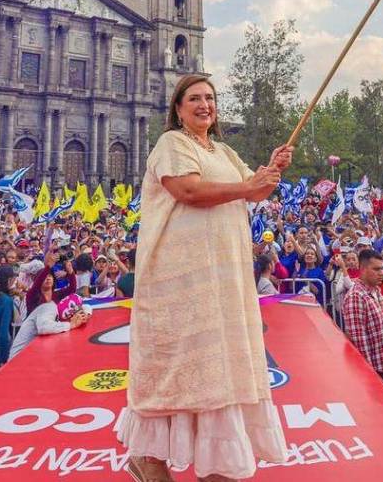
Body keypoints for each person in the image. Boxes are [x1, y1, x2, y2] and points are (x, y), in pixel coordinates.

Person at [118, 74, 290, 482]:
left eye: (210, 98)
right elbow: (190, 192)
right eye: (194, 98)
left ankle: (217, 465)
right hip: (178, 282)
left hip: (224, 281)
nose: (204, 105)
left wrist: (270, 171)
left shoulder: (226, 152)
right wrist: (249, 184)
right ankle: (149, 460)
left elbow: (252, 191)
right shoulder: (171, 144)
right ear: (178, 108)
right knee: (176, 368)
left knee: (219, 367)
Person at [341, 248, 383, 386]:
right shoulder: (355, 297)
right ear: (362, 269)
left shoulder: (377, 291)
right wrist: (370, 377)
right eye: (376, 269)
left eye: (382, 269)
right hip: (373, 373)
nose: (382, 273)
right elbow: (359, 342)